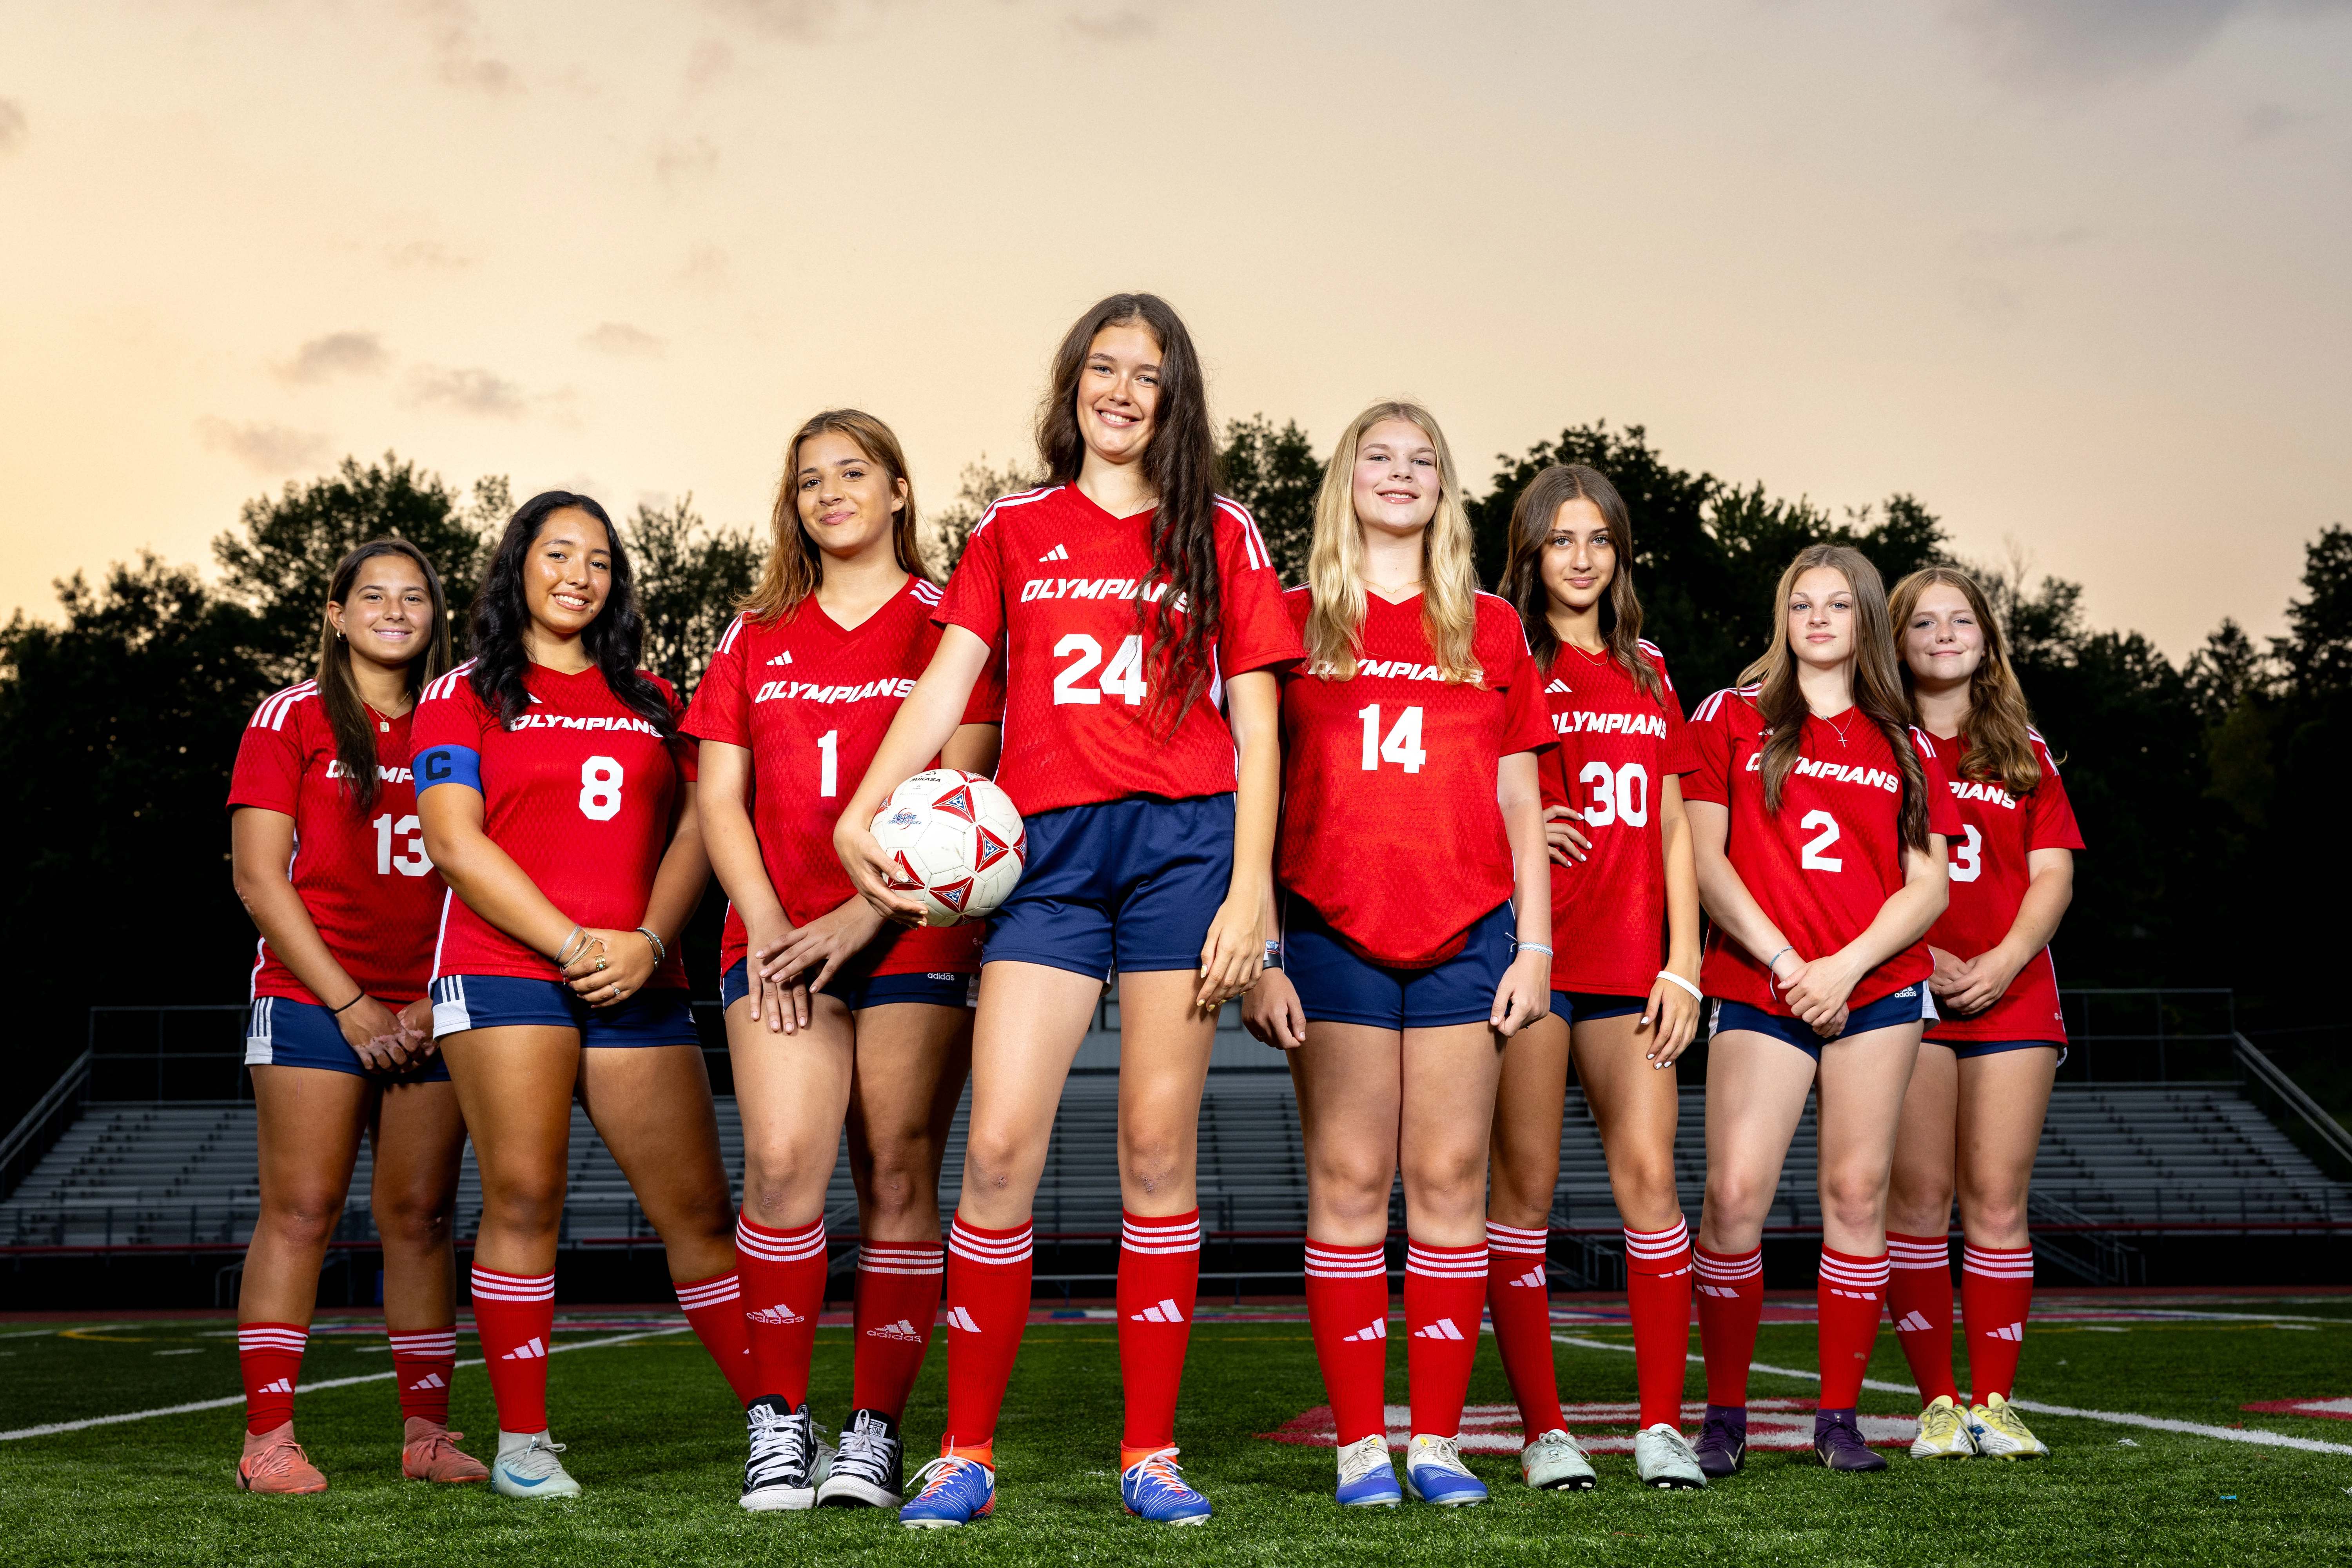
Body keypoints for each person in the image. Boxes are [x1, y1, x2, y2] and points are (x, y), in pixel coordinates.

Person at [832, 293, 1299, 1528]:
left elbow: (1259, 724)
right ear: (1073, 384)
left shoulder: (1225, 534)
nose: (1125, 391)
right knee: (996, 1150)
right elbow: (944, 691)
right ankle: (965, 1453)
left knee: (1156, 1151)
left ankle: (1151, 1451)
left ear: (1177, 397)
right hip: (1044, 858)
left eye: (1150, 375)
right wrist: (859, 815)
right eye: (1105, 368)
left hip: (1186, 853)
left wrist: (1253, 891)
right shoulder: (1014, 529)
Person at [686, 409, 1004, 1512]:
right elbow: (719, 799)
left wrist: (866, 918)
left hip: (915, 930)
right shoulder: (754, 633)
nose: (831, 493)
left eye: (853, 472)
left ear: (900, 492)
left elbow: (965, 787)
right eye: (810, 478)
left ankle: (871, 1432)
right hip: (776, 934)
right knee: (781, 1162)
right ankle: (779, 1424)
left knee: (900, 1169)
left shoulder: (945, 622)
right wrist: (772, 922)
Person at [1241, 400, 1555, 1510]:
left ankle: (1438, 1439)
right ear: (1345, 480)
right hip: (1332, 927)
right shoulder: (1285, 622)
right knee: (1350, 1179)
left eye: (1424, 460)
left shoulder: (1493, 626)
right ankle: (1360, 1444)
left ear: (1445, 489)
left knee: (1450, 1182)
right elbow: (1257, 798)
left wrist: (1537, 941)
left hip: (1471, 929)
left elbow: (1523, 795)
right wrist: (1264, 949)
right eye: (1379, 456)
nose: (1402, 474)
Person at [413, 492, 753, 1501]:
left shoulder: (653, 696)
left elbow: (702, 827)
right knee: (525, 1195)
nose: (578, 574)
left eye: (599, 560)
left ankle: (776, 1425)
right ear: (517, 565)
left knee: (699, 1211)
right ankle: (523, 1440)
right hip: (507, 967)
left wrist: (649, 940)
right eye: (557, 553)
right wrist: (571, 942)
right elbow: (453, 841)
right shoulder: (463, 693)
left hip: (641, 974)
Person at [1673, 543, 1960, 1475]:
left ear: (1867, 619)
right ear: (1783, 614)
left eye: (1840, 604)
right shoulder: (1730, 714)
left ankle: (1838, 1417)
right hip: (1764, 982)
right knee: (1733, 1196)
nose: (1821, 618)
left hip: (1875, 987)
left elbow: (1929, 887)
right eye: (1805, 602)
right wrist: (1793, 960)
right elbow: (1705, 859)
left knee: (1855, 1194)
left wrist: (1844, 966)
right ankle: (1724, 1413)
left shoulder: (1905, 736)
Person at [226, 539, 485, 1493]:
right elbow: (259, 878)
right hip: (311, 996)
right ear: (335, 613)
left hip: (432, 1002)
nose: (393, 608)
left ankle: (426, 1434)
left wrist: (423, 1000)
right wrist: (350, 1001)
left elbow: (497, 862)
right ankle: (268, 1440)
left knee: (419, 1216)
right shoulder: (290, 718)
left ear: (435, 615)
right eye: (371, 594)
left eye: (412, 595)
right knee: (301, 1211)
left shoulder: (466, 718)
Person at [1489, 464, 1708, 1491]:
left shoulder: (1649, 666)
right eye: (1560, 541)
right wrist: (1517, 830)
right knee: (1522, 1193)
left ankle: (1664, 1427)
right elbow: (1467, 787)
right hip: (1534, 958)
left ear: (1619, 553)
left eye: (1599, 541)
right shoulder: (1502, 652)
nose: (1581, 559)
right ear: (1530, 553)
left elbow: (1674, 827)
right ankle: (1545, 1432)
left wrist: (1686, 963)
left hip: (1631, 962)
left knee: (1652, 1186)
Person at [1882, 566, 2081, 1462]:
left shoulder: (2021, 747)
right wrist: (1924, 956)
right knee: (1918, 1200)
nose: (1945, 633)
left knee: (1997, 1200)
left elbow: (2053, 874)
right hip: (1905, 986)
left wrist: (2003, 959)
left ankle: (1997, 1402)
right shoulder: (1872, 744)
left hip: (2013, 989)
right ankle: (1936, 1404)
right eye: (1923, 622)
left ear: (1987, 639)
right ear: (1897, 641)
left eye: (1961, 620)